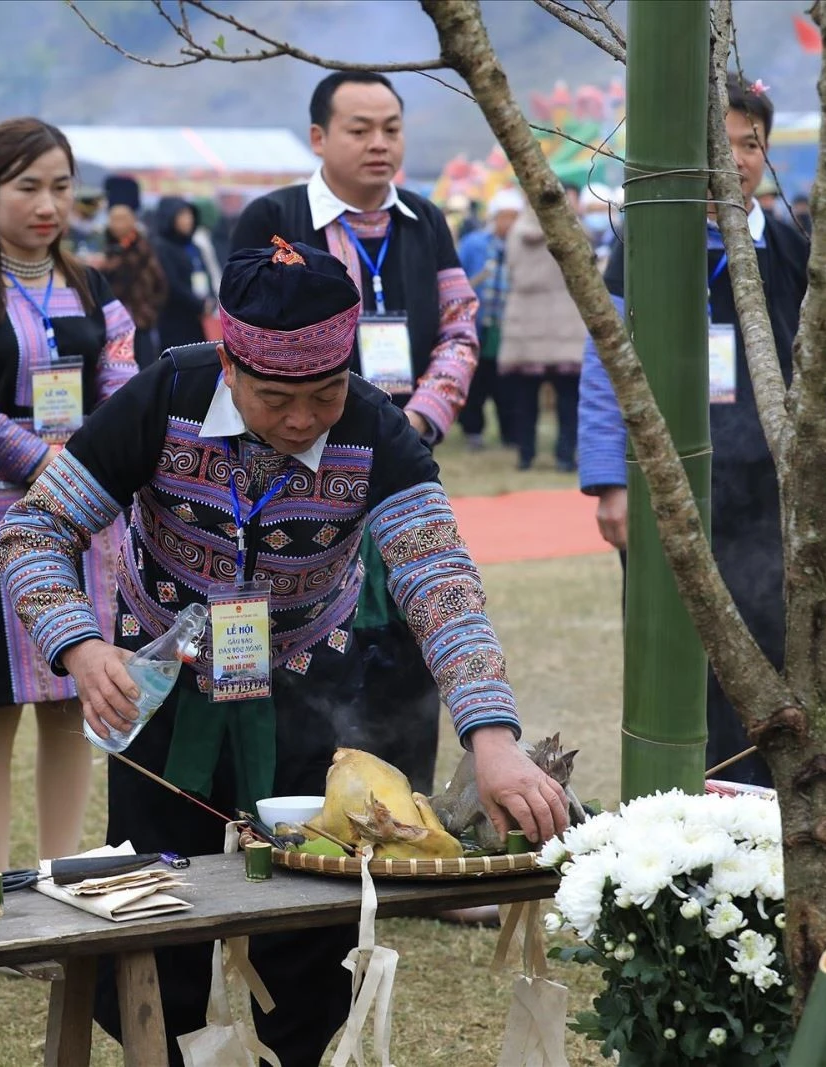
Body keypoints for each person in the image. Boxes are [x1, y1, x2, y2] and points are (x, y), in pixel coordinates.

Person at [0, 238, 571, 1066]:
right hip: (163, 695)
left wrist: (493, 737)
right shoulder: (166, 395)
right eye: (275, 398)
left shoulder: (375, 429)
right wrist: (81, 646)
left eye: (325, 393)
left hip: (311, 701)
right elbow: (35, 528)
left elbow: (443, 584)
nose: (302, 418)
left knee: (313, 935)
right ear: (231, 364)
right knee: (155, 919)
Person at [578, 75, 826, 787]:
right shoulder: (644, 241)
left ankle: (769, 807)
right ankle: (677, 806)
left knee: (775, 648)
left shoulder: (793, 246)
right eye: (721, 142)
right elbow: (603, 362)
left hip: (772, 491)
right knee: (674, 654)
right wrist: (609, 479)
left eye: (751, 142)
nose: (737, 158)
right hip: (668, 488)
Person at [229, 70, 480, 794]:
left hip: (402, 463)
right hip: (300, 468)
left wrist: (418, 419)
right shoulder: (271, 218)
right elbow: (241, 342)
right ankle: (301, 821)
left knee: (409, 639)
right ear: (319, 137)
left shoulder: (426, 221)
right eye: (359, 128)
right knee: (309, 640)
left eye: (391, 128)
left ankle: (411, 827)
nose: (379, 143)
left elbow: (461, 328)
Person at [0, 117, 137, 877]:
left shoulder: (93, 286)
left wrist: (90, 470)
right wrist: (65, 471)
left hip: (82, 523)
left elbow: (124, 387)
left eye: (61, 188)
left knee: (74, 702)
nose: (47, 204)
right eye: (28, 187)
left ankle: (59, 877)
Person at [498, 184, 586, 472]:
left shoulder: (516, 233)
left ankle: (525, 455)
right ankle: (564, 455)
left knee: (525, 399)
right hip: (566, 321)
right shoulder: (573, 230)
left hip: (525, 323)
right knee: (568, 399)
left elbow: (511, 269)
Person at [457, 186, 524, 450]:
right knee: (476, 381)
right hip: (477, 323)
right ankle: (473, 430)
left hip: (510, 325)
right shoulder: (474, 244)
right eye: (506, 216)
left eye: (515, 216)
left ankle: (511, 432)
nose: (510, 222)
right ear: (495, 217)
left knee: (507, 384)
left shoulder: (523, 245)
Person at [96, 174, 167, 368]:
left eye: (123, 218)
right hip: (108, 325)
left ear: (133, 220)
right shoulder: (102, 245)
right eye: (114, 218)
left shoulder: (142, 248)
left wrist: (147, 312)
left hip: (139, 323)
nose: (118, 223)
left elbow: (160, 285)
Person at [154, 196, 216, 351]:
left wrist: (211, 300)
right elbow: (171, 284)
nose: (187, 220)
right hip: (173, 320)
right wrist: (198, 304)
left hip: (198, 320)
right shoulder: (162, 247)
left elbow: (207, 275)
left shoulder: (195, 247)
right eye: (182, 215)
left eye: (189, 215)